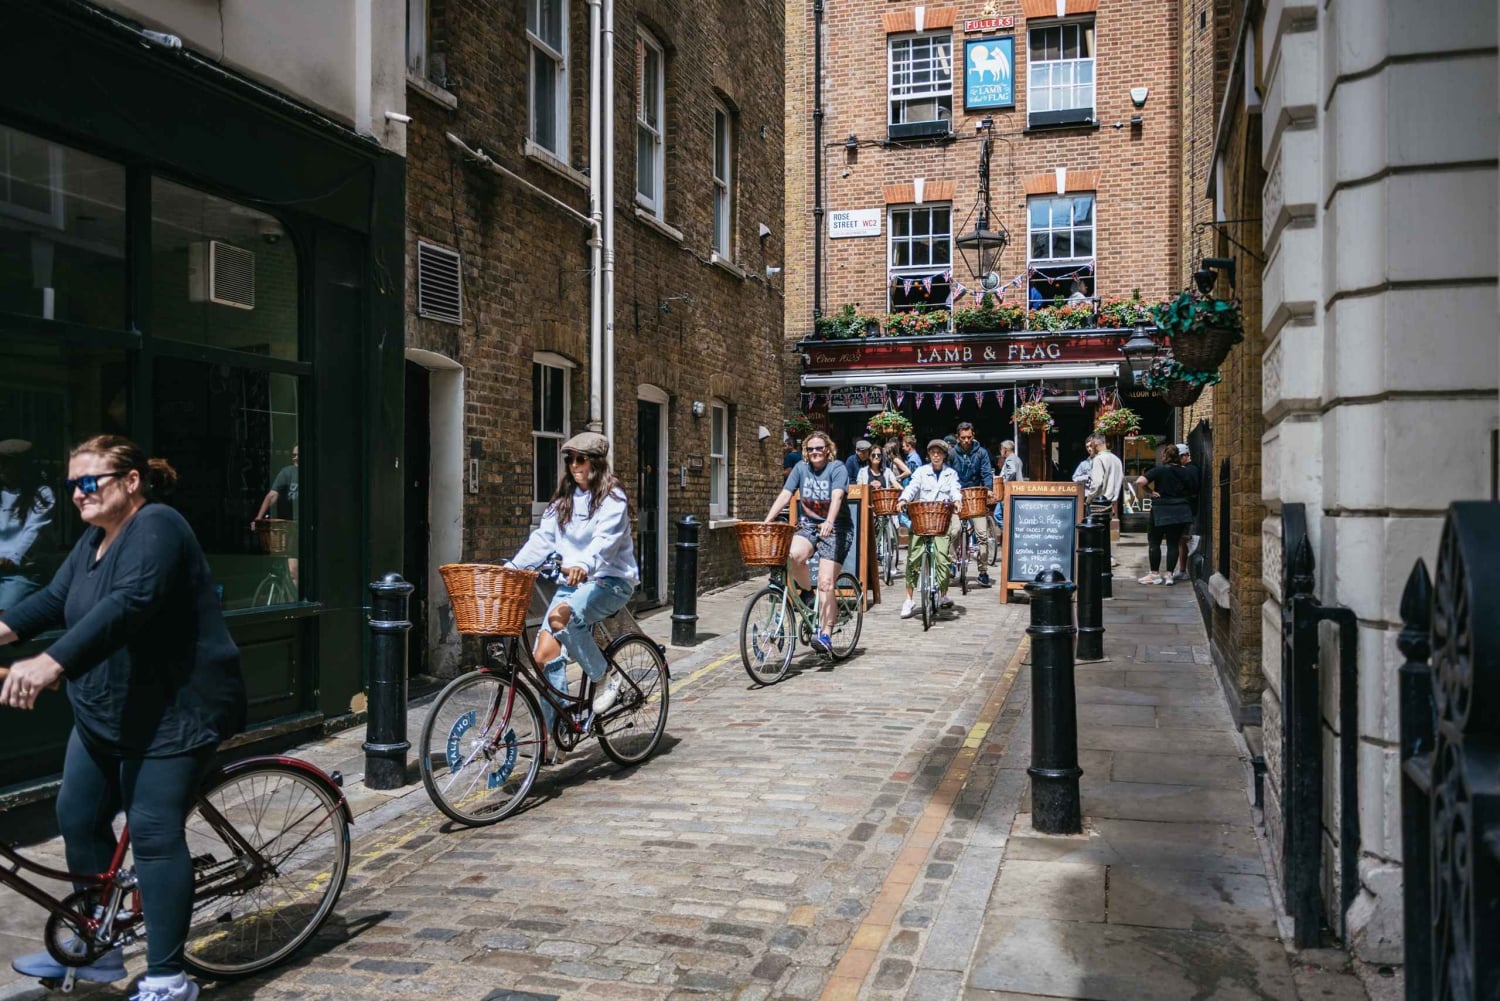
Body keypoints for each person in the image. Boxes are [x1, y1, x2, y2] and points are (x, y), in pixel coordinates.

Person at [1, 435, 246, 1001]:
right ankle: (100, 950)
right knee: (78, 817)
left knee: (155, 833)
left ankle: (168, 977)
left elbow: (129, 604)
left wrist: (49, 661)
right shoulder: (93, 541)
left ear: (130, 481)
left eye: (89, 483)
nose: (77, 495)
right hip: (106, 709)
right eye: (70, 486)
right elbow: (48, 603)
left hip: (173, 713)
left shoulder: (158, 527)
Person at [507, 432, 638, 748]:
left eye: (581, 459)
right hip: (572, 584)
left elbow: (604, 543)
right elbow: (543, 539)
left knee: (562, 618)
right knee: (541, 657)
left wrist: (584, 565)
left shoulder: (613, 499)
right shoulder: (563, 500)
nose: (574, 465)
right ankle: (557, 734)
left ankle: (605, 675)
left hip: (610, 581)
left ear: (596, 462)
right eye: (570, 459)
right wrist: (512, 569)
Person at [765, 431, 850, 653]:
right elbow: (785, 494)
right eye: (810, 449)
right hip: (810, 526)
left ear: (827, 449)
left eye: (819, 448)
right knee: (793, 556)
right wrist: (767, 521)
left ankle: (825, 634)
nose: (815, 452)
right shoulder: (801, 469)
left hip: (837, 528)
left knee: (825, 583)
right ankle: (807, 594)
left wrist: (830, 521)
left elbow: (838, 496)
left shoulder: (837, 468)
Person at [896, 439, 961, 618]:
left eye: (939, 452)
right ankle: (909, 599)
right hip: (922, 519)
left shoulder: (951, 474)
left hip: (941, 520)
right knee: (913, 558)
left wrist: (957, 501)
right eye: (933, 452)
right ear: (928, 454)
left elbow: (956, 490)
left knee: (942, 558)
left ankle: (943, 594)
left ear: (944, 455)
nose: (936, 455)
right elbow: (912, 487)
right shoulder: (921, 471)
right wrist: (903, 499)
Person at [0, 439, 56, 614]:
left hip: (22, 571)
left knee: (4, 618)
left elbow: (34, 531)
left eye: (6, 464)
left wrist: (14, 558)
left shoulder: (42, 494)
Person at [1135, 443, 1194, 585]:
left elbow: (1140, 481)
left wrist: (1151, 492)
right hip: (1180, 510)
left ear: (1165, 456)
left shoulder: (1159, 470)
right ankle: (1169, 575)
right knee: (1173, 544)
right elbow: (1192, 489)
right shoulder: (1186, 471)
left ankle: (1154, 575)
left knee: (1154, 542)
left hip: (1160, 510)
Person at [948, 422, 994, 588]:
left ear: (973, 436)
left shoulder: (981, 453)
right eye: (963, 438)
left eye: (969, 437)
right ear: (957, 437)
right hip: (957, 496)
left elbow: (986, 472)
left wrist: (988, 489)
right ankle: (952, 563)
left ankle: (983, 571)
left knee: (982, 534)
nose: (966, 440)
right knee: (955, 530)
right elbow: (948, 474)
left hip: (976, 497)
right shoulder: (952, 453)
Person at [251, 444, 299, 587]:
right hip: (291, 528)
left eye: (298, 454)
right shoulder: (287, 472)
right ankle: (292, 604)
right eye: (293, 455)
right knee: (293, 571)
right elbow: (272, 495)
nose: (295, 458)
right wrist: (258, 518)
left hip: (307, 525)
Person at [1175, 443, 1202, 581]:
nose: (1178, 460)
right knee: (1179, 539)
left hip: (1187, 507)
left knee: (1179, 537)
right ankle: (1182, 570)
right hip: (1185, 506)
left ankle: (1192, 539)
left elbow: (1193, 488)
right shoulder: (1186, 468)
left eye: (1179, 457)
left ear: (1186, 455)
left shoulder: (1191, 469)